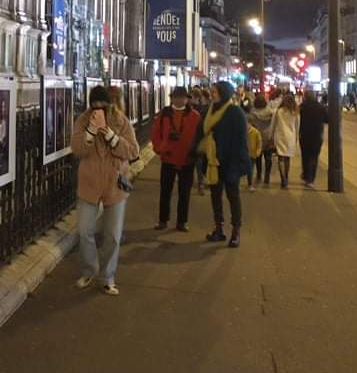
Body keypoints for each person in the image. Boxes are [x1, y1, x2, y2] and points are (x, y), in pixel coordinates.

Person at [72, 86, 140, 295]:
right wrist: (91, 131)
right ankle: (90, 270)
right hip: (89, 184)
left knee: (112, 235)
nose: (99, 110)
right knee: (85, 231)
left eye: (103, 106)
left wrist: (110, 135)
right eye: (95, 106)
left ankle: (107, 276)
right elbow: (77, 150)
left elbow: (133, 151)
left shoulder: (121, 121)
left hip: (114, 184)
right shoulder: (83, 121)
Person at [199, 81, 251, 248]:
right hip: (213, 162)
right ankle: (219, 228)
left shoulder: (235, 112)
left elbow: (240, 140)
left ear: (224, 93)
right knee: (215, 196)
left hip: (230, 162)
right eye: (212, 92)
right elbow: (204, 133)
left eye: (215, 92)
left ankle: (236, 231)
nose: (212, 94)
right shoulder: (210, 111)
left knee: (232, 196)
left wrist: (229, 157)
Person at [151, 86, 201, 232]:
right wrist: (160, 148)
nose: (179, 100)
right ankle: (163, 220)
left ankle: (182, 222)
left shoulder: (195, 116)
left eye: (182, 97)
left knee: (184, 193)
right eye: (176, 97)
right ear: (172, 98)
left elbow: (200, 136)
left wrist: (196, 152)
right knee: (165, 191)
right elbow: (155, 133)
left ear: (187, 99)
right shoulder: (164, 114)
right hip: (168, 158)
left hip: (188, 159)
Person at [299, 91, 328, 188]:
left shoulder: (302, 107)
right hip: (316, 135)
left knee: (305, 156)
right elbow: (327, 119)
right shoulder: (320, 107)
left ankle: (306, 174)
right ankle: (310, 179)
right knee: (314, 157)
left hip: (304, 135)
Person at [270, 94, 300, 189]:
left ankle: (283, 179)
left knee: (281, 158)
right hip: (290, 137)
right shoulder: (295, 113)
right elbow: (297, 127)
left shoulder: (278, 111)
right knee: (287, 158)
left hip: (280, 136)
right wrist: (296, 138)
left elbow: (273, 125)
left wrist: (270, 136)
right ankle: (286, 176)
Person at [248, 94, 275, 185]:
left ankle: (259, 174)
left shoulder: (252, 112)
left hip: (256, 136)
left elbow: (249, 124)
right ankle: (267, 176)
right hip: (267, 136)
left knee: (258, 157)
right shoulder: (270, 112)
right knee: (268, 157)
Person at [0, 95, 10, 177]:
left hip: (4, 157)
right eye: (1, 107)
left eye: (4, 107)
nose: (2, 109)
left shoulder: (7, 122)